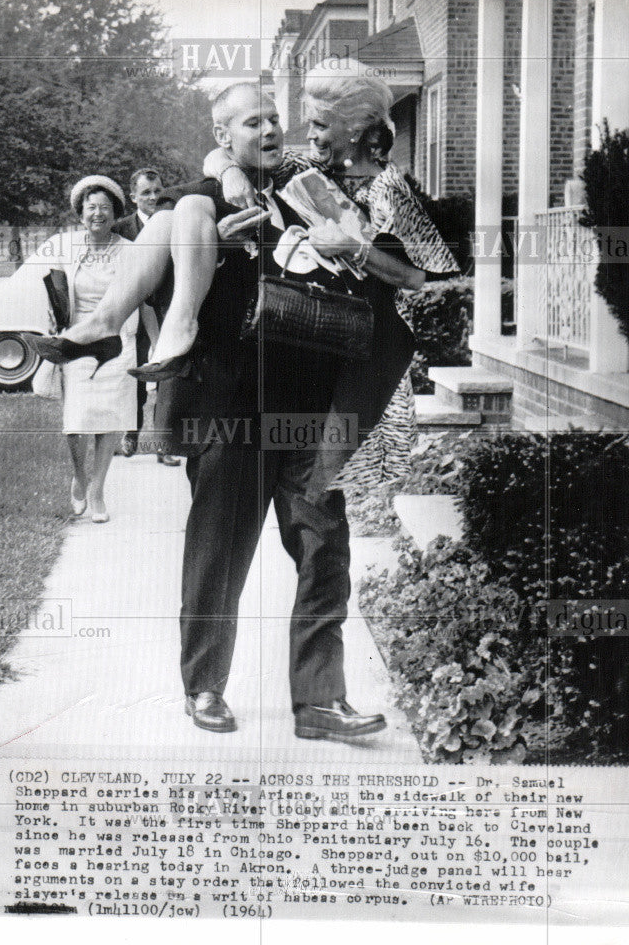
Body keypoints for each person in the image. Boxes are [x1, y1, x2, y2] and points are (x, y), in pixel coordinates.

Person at [153, 80, 434, 740]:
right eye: (253, 122)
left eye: (275, 118)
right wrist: (220, 239)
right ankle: (204, 686)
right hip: (231, 410)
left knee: (324, 549)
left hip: (312, 406)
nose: (271, 129)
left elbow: (392, 262)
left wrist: (350, 242)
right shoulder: (195, 202)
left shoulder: (308, 187)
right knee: (219, 554)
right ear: (222, 137)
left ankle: (318, 702)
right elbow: (172, 283)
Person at [22, 175, 149, 523]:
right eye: (91, 207)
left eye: (104, 208)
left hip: (117, 340)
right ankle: (79, 476)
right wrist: (52, 318)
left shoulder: (130, 250)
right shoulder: (66, 246)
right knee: (76, 419)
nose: (97, 213)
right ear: (81, 214)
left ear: (115, 213)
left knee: (110, 417)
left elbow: (143, 299)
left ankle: (97, 489)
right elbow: (50, 288)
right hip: (77, 338)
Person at [113, 167, 180, 466]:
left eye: (157, 191)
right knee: (133, 376)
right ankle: (130, 434)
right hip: (132, 317)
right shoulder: (121, 230)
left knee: (168, 376)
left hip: (168, 312)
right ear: (133, 197)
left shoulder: (177, 224)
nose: (153, 198)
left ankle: (164, 443)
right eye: (145, 193)